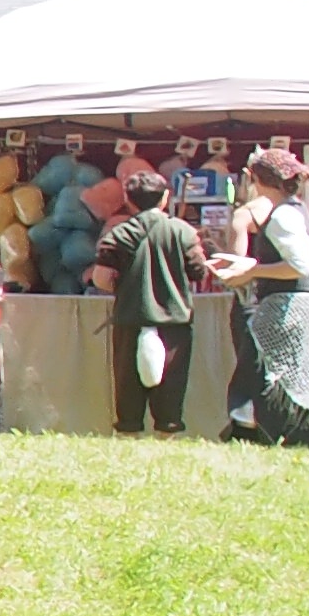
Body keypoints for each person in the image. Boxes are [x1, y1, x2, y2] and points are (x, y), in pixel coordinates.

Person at [204, 146, 309, 450]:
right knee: (306, 378)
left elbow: (300, 265)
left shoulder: (282, 215)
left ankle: (284, 436)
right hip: (305, 302)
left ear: (256, 179)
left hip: (288, 305)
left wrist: (252, 269)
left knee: (274, 376)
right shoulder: (299, 211)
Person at [96, 162, 207, 437]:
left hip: (130, 322)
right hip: (174, 325)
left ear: (128, 200)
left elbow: (101, 278)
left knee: (128, 399)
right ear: (165, 197)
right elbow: (198, 272)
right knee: (170, 398)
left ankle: (129, 440)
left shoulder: (118, 234)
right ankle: (167, 441)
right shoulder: (183, 232)